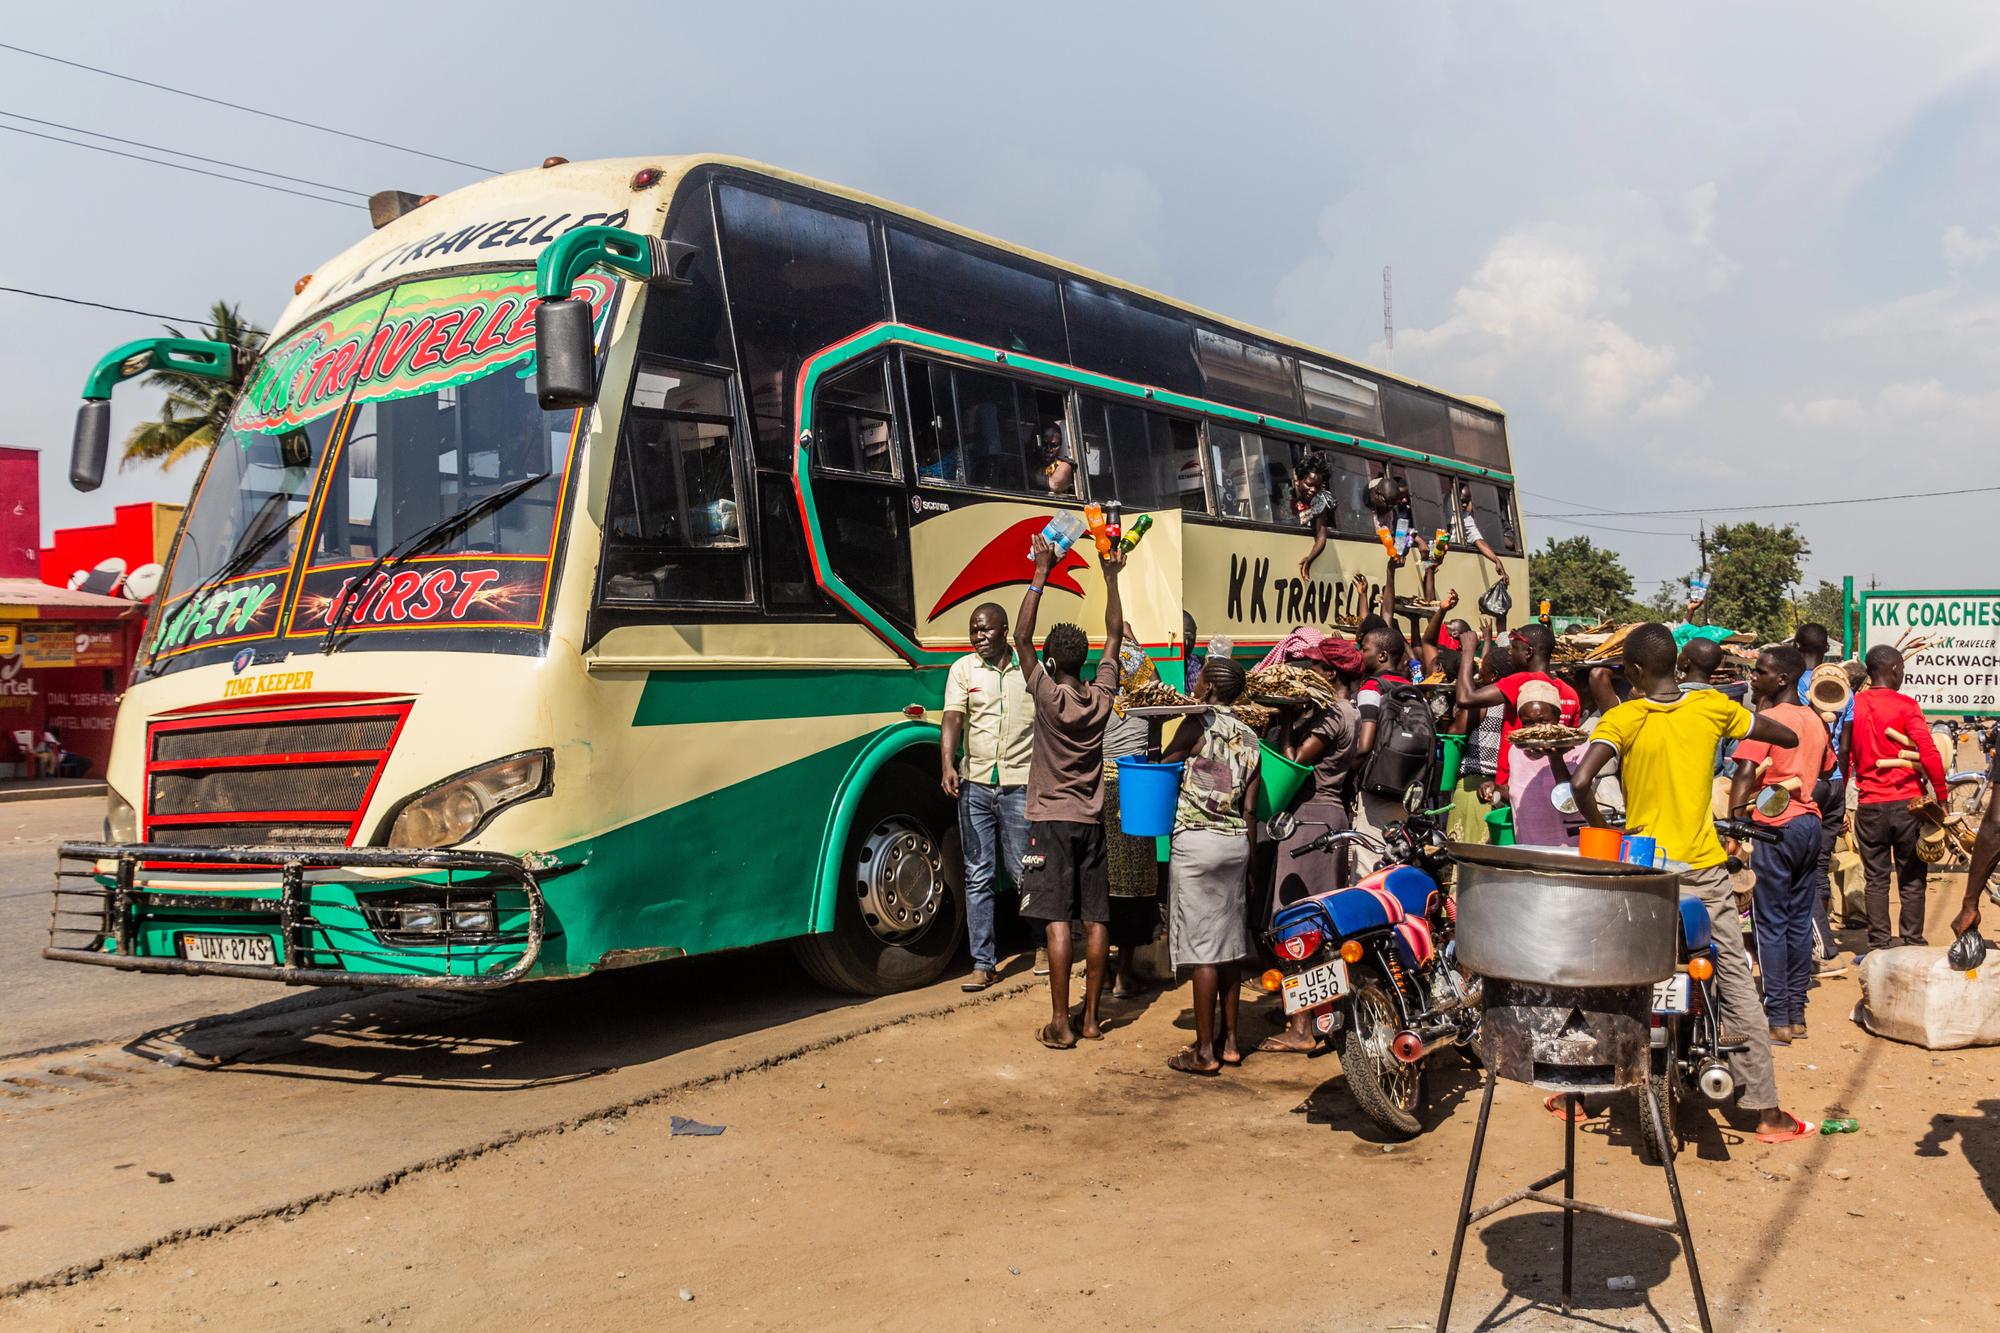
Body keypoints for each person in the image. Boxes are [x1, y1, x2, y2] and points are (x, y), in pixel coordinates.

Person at [1567, 623, 1816, 1144]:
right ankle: (1766, 1111)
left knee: (1607, 973)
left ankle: (1579, 1090)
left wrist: (1603, 828)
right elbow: (1786, 737)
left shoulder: (1623, 717)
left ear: (1634, 671)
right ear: (1676, 665)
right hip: (1703, 871)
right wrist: (1752, 723)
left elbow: (1581, 781)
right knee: (1734, 980)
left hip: (1643, 870)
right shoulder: (1712, 709)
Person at [1013, 534, 1125, 1049]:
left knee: (1058, 920)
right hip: (1091, 821)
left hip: (1051, 823)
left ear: (1052, 663)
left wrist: (1041, 571)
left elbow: (1021, 637)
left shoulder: (1048, 695)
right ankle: (1092, 1019)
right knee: (1096, 919)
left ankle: (1060, 1022)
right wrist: (1110, 576)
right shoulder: (1100, 697)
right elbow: (1115, 635)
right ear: (1083, 662)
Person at [1256, 628, 1365, 1054]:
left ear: (1330, 672)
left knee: (1296, 923)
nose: (1307, 671)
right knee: (1318, 923)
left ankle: (1301, 1028)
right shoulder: (1350, 711)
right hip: (1328, 819)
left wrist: (1285, 718)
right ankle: (1317, 1014)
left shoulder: (1332, 715)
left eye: (1315, 665)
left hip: (1308, 820)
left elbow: (1295, 762)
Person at [1727, 646, 1835, 1043]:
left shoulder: (1768, 720)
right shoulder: (1814, 719)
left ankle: (1778, 1020)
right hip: (1809, 824)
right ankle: (1796, 1014)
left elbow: (1744, 772)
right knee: (1797, 920)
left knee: (1770, 922)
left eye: (1761, 672)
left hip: (1774, 826)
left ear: (1783, 679)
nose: (1754, 678)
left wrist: (1734, 824)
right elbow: (1828, 769)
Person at [1159, 656, 1261, 1075]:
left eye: (1199, 679)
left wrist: (1154, 728)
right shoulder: (1251, 736)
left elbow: (1162, 770)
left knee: (1203, 952)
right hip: (1235, 845)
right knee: (1229, 950)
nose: (1194, 685)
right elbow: (1250, 808)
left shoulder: (1195, 725)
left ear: (1210, 689)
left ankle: (1204, 1052)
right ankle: (1231, 1043)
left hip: (1197, 845)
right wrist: (1251, 865)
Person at [941, 603, 1034, 992]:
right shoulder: (963, 669)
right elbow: (953, 717)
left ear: (1005, 630)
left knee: (1023, 870)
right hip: (975, 784)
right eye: (973, 630)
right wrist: (948, 764)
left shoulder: (1029, 669)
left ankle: (1047, 942)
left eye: (985, 629)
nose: (978, 636)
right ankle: (983, 963)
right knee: (977, 874)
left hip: (1019, 784)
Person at [1842, 645, 1947, 956]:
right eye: (1902, 669)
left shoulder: (1853, 705)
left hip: (1869, 806)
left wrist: (1839, 801)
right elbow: (1928, 751)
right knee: (1912, 877)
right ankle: (1912, 941)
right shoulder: (1906, 705)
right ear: (1894, 669)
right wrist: (1941, 795)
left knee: (1875, 878)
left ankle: (1879, 944)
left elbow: (1844, 756)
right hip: (1908, 806)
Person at [1453, 622, 1580, 803]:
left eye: (1514, 648)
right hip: (1555, 790)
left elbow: (1465, 698)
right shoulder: (1570, 693)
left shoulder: (1520, 682)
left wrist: (1467, 652)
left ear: (1528, 652)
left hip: (1515, 790)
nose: (1509, 653)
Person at [1103, 642, 1163, 999]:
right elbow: (1154, 677)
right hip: (1136, 790)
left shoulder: (1096, 699)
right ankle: (1124, 975)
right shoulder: (1147, 705)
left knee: (1104, 888)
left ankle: (1103, 973)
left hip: (1100, 792)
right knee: (1134, 887)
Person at [1793, 623, 1853, 974]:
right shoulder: (1843, 685)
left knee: (1801, 868)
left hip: (1809, 782)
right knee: (1819, 866)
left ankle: (1823, 948)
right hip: (1835, 783)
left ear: (1797, 645)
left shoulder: (1796, 684)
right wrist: (1840, 784)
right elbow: (1845, 745)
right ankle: (1822, 932)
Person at [1352, 620, 1417, 872]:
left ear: (1382, 655)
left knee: (1369, 866)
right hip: (1408, 789)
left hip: (1377, 790)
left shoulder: (1372, 688)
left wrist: (1348, 777)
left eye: (1365, 649)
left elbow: (1365, 743)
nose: (1360, 653)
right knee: (1396, 863)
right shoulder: (1413, 690)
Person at [1504, 680, 1585, 848]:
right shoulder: (1516, 752)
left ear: (1557, 717)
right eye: (1528, 722)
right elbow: (1522, 795)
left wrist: (1555, 758)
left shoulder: (1580, 750)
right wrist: (1496, 789)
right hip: (1529, 847)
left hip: (1570, 848)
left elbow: (1570, 802)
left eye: (1543, 721)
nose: (1537, 728)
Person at [1451, 479, 1511, 588]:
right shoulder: (1443, 506)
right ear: (1453, 497)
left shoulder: (1465, 516)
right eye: (1462, 501)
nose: (1464, 505)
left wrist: (1496, 560)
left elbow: (1478, 541)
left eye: (1467, 502)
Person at [1293, 452, 1335, 581]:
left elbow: (1321, 535)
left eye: (1317, 487)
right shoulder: (1286, 493)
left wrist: (1309, 560)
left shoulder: (1319, 501)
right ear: (1298, 480)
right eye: (1308, 484)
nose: (1312, 490)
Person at [1031, 423, 1075, 495]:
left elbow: (1055, 484)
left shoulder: (1063, 464)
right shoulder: (1032, 463)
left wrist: (1029, 476)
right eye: (1044, 444)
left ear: (1060, 445)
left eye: (1054, 445)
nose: (1049, 449)